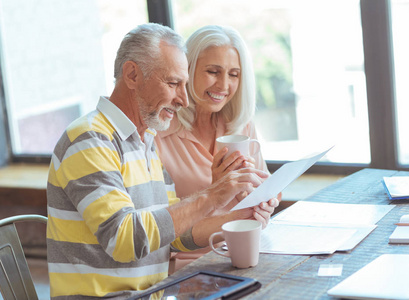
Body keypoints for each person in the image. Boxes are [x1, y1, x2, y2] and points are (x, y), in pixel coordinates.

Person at [46, 23, 276, 299]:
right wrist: (212, 195)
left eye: (185, 85)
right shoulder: (89, 138)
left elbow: (176, 236)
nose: (182, 99)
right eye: (173, 83)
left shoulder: (145, 141)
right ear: (132, 74)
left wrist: (242, 216)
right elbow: (124, 239)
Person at [155, 25, 281, 272]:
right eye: (213, 72)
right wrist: (217, 192)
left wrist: (265, 202)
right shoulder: (159, 134)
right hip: (189, 265)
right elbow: (161, 230)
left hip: (246, 254)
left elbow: (268, 189)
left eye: (234, 74)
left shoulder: (241, 126)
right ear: (187, 70)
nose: (224, 85)